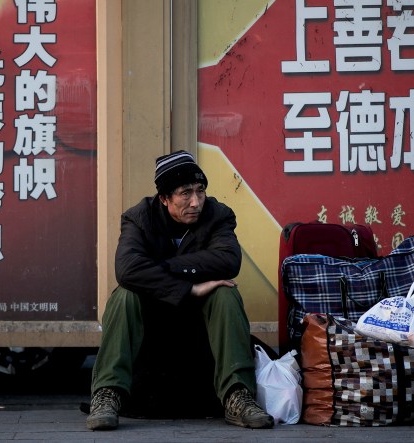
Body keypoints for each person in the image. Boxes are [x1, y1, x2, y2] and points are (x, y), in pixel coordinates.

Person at [86, 150, 274, 431]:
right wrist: (190, 288)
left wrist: (160, 267)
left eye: (200, 191)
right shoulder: (139, 218)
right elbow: (127, 270)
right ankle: (107, 394)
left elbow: (228, 260)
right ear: (164, 198)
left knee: (225, 293)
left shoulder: (218, 215)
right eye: (185, 193)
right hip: (153, 319)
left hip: (198, 323)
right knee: (125, 295)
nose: (196, 202)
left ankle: (238, 395)